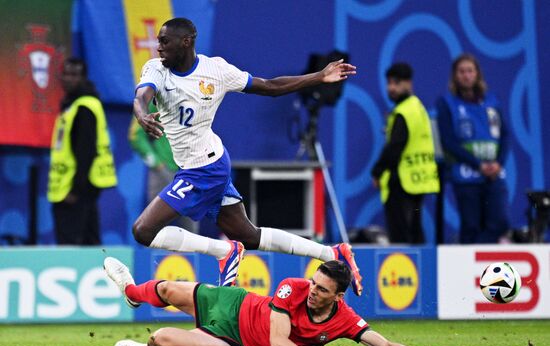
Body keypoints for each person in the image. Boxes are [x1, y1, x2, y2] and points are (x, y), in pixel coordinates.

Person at [132, 18, 362, 295]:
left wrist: (318, 76)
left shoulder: (215, 70)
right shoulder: (156, 68)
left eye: (164, 41)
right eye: (158, 41)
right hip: (207, 163)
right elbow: (142, 96)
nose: (159, 47)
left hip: (204, 169)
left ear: (186, 42)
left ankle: (223, 251)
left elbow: (269, 86)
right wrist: (142, 114)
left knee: (143, 231)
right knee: (249, 236)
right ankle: (332, 252)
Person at [104, 257, 444, 346]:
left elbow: (382, 345)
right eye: (313, 283)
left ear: (338, 296)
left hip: (233, 344)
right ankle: (133, 292)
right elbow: (280, 344)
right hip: (233, 304)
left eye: (322, 290)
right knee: (166, 287)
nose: (312, 291)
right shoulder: (292, 287)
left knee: (160, 338)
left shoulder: (344, 319)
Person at [436, 54, 510, 244]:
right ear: (455, 76)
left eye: (470, 71)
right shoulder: (447, 103)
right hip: (466, 176)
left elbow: (505, 135)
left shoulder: (492, 101)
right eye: (461, 71)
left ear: (477, 74)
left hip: (493, 176)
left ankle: (482, 262)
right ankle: (470, 266)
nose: (466, 75)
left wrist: (498, 163)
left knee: (499, 223)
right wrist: (478, 165)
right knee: (471, 227)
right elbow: (448, 141)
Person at [47, 57, 117, 244]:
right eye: (66, 74)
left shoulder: (84, 108)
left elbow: (85, 152)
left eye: (75, 75)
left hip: (76, 190)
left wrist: (76, 190)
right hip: (74, 188)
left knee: (73, 247)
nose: (69, 79)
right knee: (89, 243)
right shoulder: (72, 104)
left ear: (84, 78)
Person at [371, 63, 439, 244]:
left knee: (401, 236)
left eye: (396, 83)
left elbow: (395, 147)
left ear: (409, 83)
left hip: (402, 180)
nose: (391, 88)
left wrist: (377, 171)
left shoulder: (403, 111)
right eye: (389, 83)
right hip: (419, 179)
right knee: (415, 231)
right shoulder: (417, 107)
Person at [128, 102, 197, 232]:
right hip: (165, 169)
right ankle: (152, 253)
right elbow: (136, 136)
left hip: (190, 170)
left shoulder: (197, 95)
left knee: (190, 223)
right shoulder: (157, 97)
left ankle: (191, 253)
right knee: (152, 225)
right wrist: (156, 163)